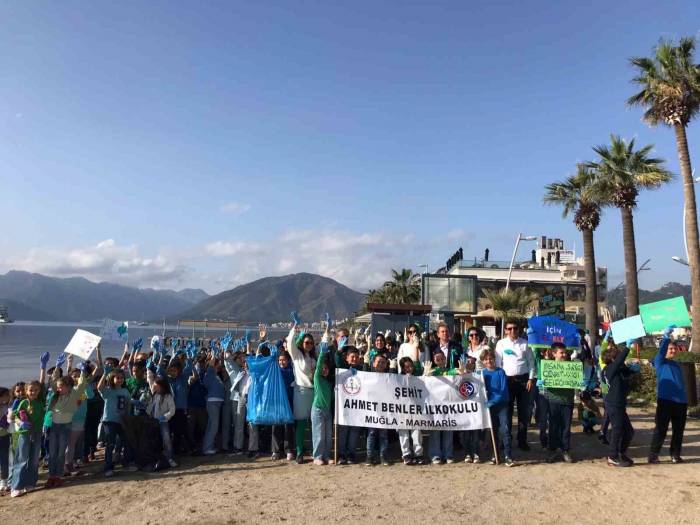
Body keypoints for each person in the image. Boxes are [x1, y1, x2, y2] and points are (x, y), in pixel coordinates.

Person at [45, 356, 91, 487]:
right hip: (54, 426)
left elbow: (82, 385)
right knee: (53, 452)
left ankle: (58, 475)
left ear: (69, 387)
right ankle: (51, 476)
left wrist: (83, 371)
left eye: (62, 387)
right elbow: (54, 382)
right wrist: (57, 367)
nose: (59, 389)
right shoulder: (56, 395)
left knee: (60, 453)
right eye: (58, 387)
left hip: (66, 426)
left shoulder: (74, 394)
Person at [648, 325, 688, 464]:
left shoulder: (677, 364)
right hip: (665, 401)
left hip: (681, 402)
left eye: (673, 349)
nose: (672, 350)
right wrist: (666, 337)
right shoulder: (660, 362)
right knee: (661, 429)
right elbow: (660, 352)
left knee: (678, 431)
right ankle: (653, 455)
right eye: (670, 349)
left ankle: (675, 455)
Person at [495, 320, 535, 451]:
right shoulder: (501, 344)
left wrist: (530, 379)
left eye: (515, 328)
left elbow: (531, 363)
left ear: (519, 329)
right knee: (506, 413)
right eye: (509, 328)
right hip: (507, 381)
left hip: (524, 381)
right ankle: (505, 440)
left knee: (523, 413)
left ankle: (522, 441)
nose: (512, 331)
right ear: (506, 330)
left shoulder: (525, 343)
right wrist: (501, 381)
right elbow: (498, 363)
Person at [603, 339, 640, 467]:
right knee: (617, 430)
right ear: (613, 359)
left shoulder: (619, 370)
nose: (621, 359)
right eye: (618, 357)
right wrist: (627, 347)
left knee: (629, 431)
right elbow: (619, 362)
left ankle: (620, 453)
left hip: (620, 405)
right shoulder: (609, 369)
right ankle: (612, 457)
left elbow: (627, 372)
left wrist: (634, 369)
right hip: (613, 404)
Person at [423, 352, 465, 464]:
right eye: (438, 359)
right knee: (435, 431)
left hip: (448, 405)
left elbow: (455, 372)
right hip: (435, 406)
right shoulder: (433, 371)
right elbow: (424, 382)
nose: (440, 361)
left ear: (445, 359)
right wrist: (426, 374)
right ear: (434, 360)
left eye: (442, 359)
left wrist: (460, 372)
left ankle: (448, 454)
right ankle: (435, 455)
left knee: (448, 430)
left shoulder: (448, 370)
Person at [286, 312, 317, 464]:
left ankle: (313, 449)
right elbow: (290, 342)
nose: (308, 345)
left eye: (310, 343)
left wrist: (326, 331)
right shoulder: (297, 356)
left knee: (313, 423)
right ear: (301, 344)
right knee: (301, 423)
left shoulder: (313, 358)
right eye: (306, 342)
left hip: (314, 392)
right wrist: (295, 326)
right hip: (301, 392)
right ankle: (299, 452)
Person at [539, 343, 576, 463]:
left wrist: (581, 383)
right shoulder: (548, 366)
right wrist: (540, 382)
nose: (564, 355)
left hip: (567, 401)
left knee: (566, 427)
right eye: (561, 353)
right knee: (553, 427)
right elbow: (541, 381)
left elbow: (577, 379)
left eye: (565, 352)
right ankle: (552, 450)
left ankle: (566, 450)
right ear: (554, 353)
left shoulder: (571, 366)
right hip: (553, 400)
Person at [97, 366, 134, 477]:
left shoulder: (125, 391)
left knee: (126, 442)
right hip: (109, 421)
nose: (120, 380)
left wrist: (127, 419)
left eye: (121, 378)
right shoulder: (108, 391)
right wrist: (104, 374)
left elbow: (128, 406)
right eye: (117, 378)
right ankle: (108, 467)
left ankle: (126, 463)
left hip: (122, 421)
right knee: (110, 444)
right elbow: (99, 387)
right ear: (112, 379)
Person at [481, 348, 513, 467]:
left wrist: (493, 401)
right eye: (486, 359)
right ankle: (495, 454)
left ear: (494, 359)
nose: (489, 361)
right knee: (493, 431)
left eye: (491, 358)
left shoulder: (501, 372)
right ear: (483, 362)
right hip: (490, 407)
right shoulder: (482, 374)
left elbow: (503, 390)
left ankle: (508, 455)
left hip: (502, 405)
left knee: (504, 430)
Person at [335, 345, 362, 465]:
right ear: (347, 358)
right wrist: (340, 349)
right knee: (343, 431)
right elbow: (336, 358)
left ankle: (351, 453)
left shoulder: (363, 370)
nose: (355, 359)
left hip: (357, 406)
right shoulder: (342, 368)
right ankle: (341, 454)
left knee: (354, 432)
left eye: (357, 357)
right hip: (344, 406)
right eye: (352, 357)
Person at [364, 353, 392, 465]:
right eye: (378, 362)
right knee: (371, 434)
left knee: (383, 434)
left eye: (383, 362)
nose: (380, 364)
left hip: (384, 410)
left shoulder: (389, 377)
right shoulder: (368, 376)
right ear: (374, 363)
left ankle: (383, 456)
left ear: (386, 365)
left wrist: (393, 369)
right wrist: (365, 363)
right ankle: (369, 456)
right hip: (371, 410)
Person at [311, 337, 334, 465]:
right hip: (318, 410)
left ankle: (326, 455)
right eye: (323, 369)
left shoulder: (328, 382)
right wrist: (321, 354)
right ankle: (317, 456)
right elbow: (319, 365)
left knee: (327, 436)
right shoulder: (317, 379)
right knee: (318, 435)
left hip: (327, 411)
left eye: (327, 368)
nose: (324, 370)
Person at [397, 357, 424, 465]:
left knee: (417, 432)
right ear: (403, 368)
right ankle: (406, 454)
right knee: (403, 433)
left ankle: (418, 454)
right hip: (401, 409)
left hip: (414, 409)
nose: (410, 368)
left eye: (411, 366)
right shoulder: (397, 378)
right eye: (407, 367)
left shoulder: (416, 379)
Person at [146, 376, 177, 467]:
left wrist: (164, 417)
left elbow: (172, 410)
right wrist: (147, 412)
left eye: (157, 386)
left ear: (162, 386)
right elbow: (150, 408)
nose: (155, 388)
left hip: (163, 422)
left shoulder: (168, 396)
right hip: (153, 422)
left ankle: (170, 458)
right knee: (155, 441)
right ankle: (157, 459)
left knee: (166, 439)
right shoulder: (154, 396)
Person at [271, 349, 296, 461]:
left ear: (289, 360)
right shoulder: (275, 371)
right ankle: (276, 450)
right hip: (277, 403)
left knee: (288, 427)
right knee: (276, 427)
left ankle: (289, 450)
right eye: (280, 360)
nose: (281, 362)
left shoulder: (293, 371)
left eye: (284, 360)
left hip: (289, 402)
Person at [0, 387, 12, 493]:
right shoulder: (5, 407)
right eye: (7, 395)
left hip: (4, 436)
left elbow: (8, 422)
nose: (8, 397)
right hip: (4, 436)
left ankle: (4, 480)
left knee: (4, 459)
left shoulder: (7, 407)